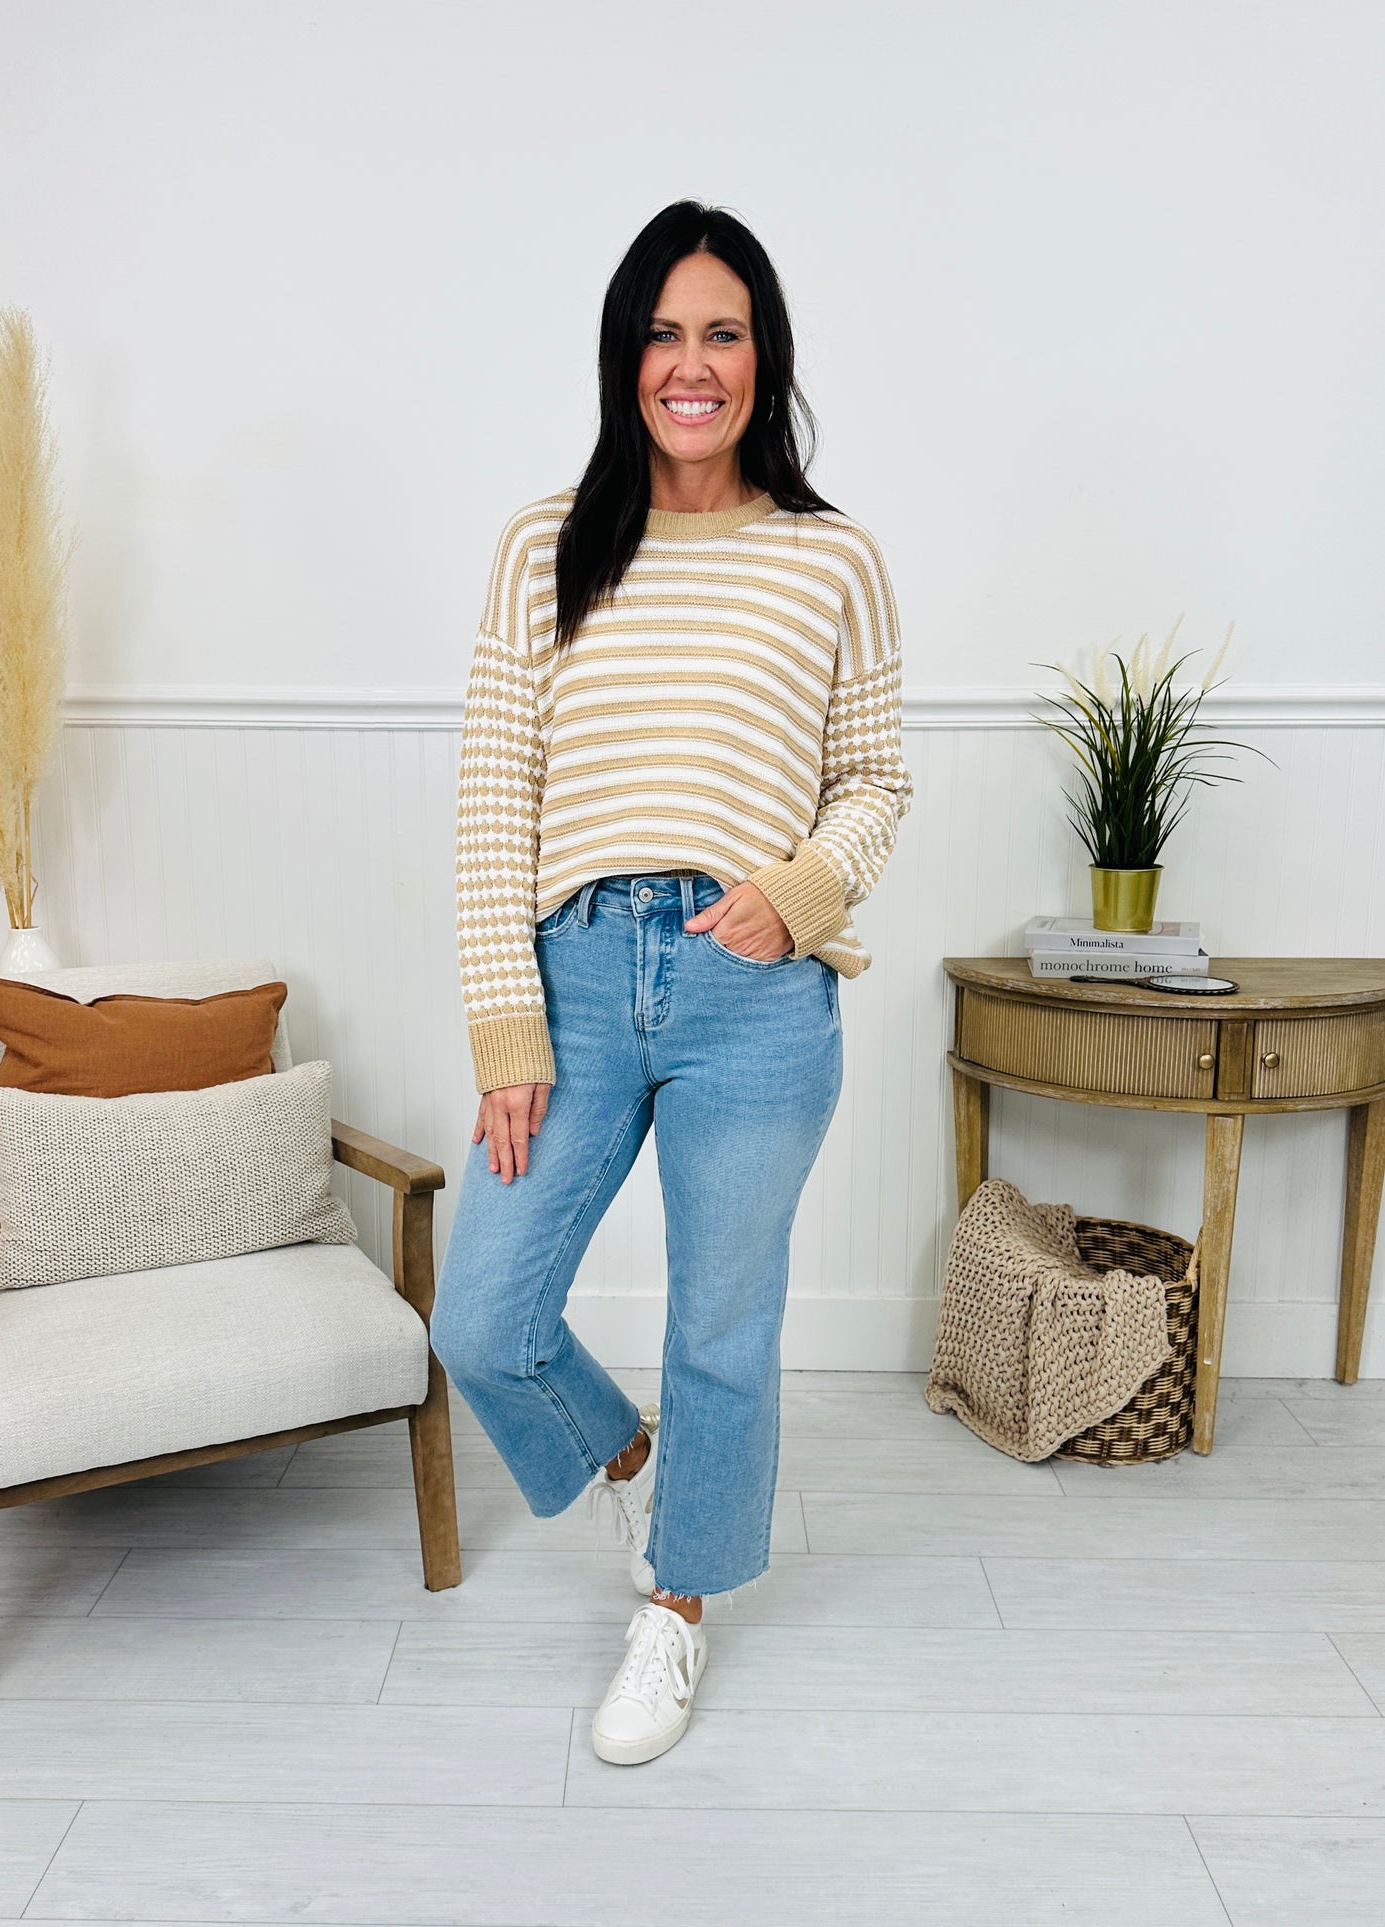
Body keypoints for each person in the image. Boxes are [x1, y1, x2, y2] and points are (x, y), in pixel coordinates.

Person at [429, 199, 913, 1767]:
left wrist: (796, 895)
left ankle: (677, 1604)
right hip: (573, 976)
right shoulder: (544, 544)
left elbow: (874, 779)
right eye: (660, 333)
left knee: (722, 1323)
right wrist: (506, 1025)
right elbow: (494, 796)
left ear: (762, 358)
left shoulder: (829, 557)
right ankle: (637, 1462)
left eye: (720, 333)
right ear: (622, 355)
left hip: (749, 991)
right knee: (481, 1319)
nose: (688, 365)